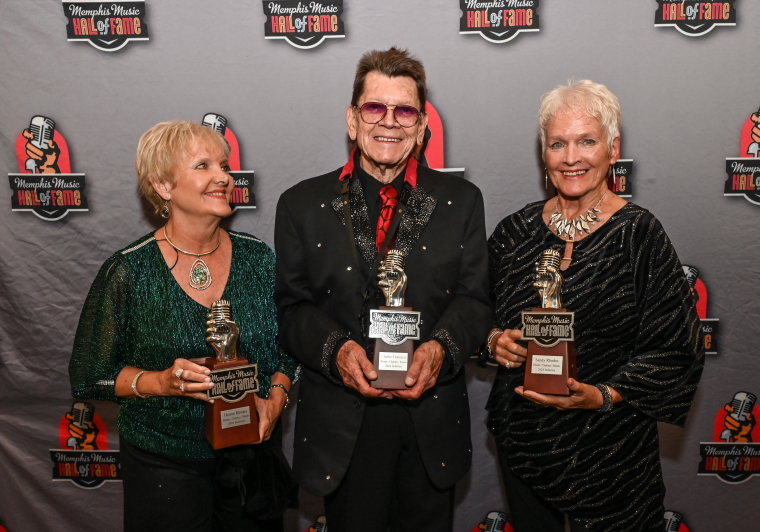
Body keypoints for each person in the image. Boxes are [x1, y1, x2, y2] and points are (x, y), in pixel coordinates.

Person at [274, 47, 492, 531]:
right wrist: (337, 351)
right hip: (343, 421)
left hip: (429, 417)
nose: (389, 121)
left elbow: (475, 299)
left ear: (421, 126)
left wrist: (439, 350)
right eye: (375, 107)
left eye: (405, 110)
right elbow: (292, 308)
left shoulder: (461, 201)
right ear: (353, 120)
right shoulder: (301, 204)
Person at [484, 80, 704, 532]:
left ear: (613, 149)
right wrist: (492, 340)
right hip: (526, 442)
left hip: (613, 451)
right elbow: (473, 311)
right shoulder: (514, 232)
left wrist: (603, 395)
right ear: (543, 153)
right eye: (557, 144)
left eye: (587, 141)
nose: (571, 157)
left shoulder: (638, 234)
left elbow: (676, 347)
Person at [69, 120, 300, 532]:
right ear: (162, 185)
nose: (223, 177)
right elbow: (90, 375)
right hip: (164, 466)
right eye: (203, 166)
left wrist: (276, 397)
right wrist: (161, 382)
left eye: (224, 165)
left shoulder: (259, 259)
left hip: (252, 463)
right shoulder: (130, 271)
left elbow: (290, 345)